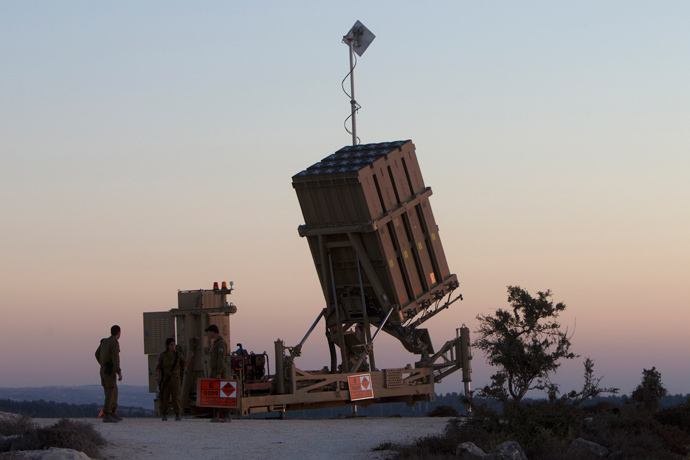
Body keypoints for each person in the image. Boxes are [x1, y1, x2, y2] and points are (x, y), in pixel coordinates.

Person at [95, 325, 123, 423]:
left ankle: (112, 413)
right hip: (109, 370)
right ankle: (107, 414)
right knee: (110, 392)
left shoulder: (104, 342)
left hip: (103, 369)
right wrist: (118, 372)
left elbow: (97, 354)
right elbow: (115, 359)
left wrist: (102, 363)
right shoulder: (114, 343)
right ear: (118, 333)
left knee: (113, 390)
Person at [156, 338, 187, 421]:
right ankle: (164, 413)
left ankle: (177, 413)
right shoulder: (163, 355)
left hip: (176, 379)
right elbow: (158, 368)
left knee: (176, 396)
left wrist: (190, 357)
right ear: (167, 346)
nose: (173, 346)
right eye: (171, 344)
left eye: (174, 344)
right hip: (166, 379)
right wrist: (158, 378)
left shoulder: (178, 355)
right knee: (164, 396)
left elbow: (184, 365)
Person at [205, 324, 230, 422]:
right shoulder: (216, 343)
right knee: (215, 393)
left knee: (223, 392)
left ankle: (227, 414)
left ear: (212, 331)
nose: (208, 333)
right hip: (214, 371)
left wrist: (219, 372)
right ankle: (216, 414)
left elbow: (221, 358)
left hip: (219, 371)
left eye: (209, 331)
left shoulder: (221, 343)